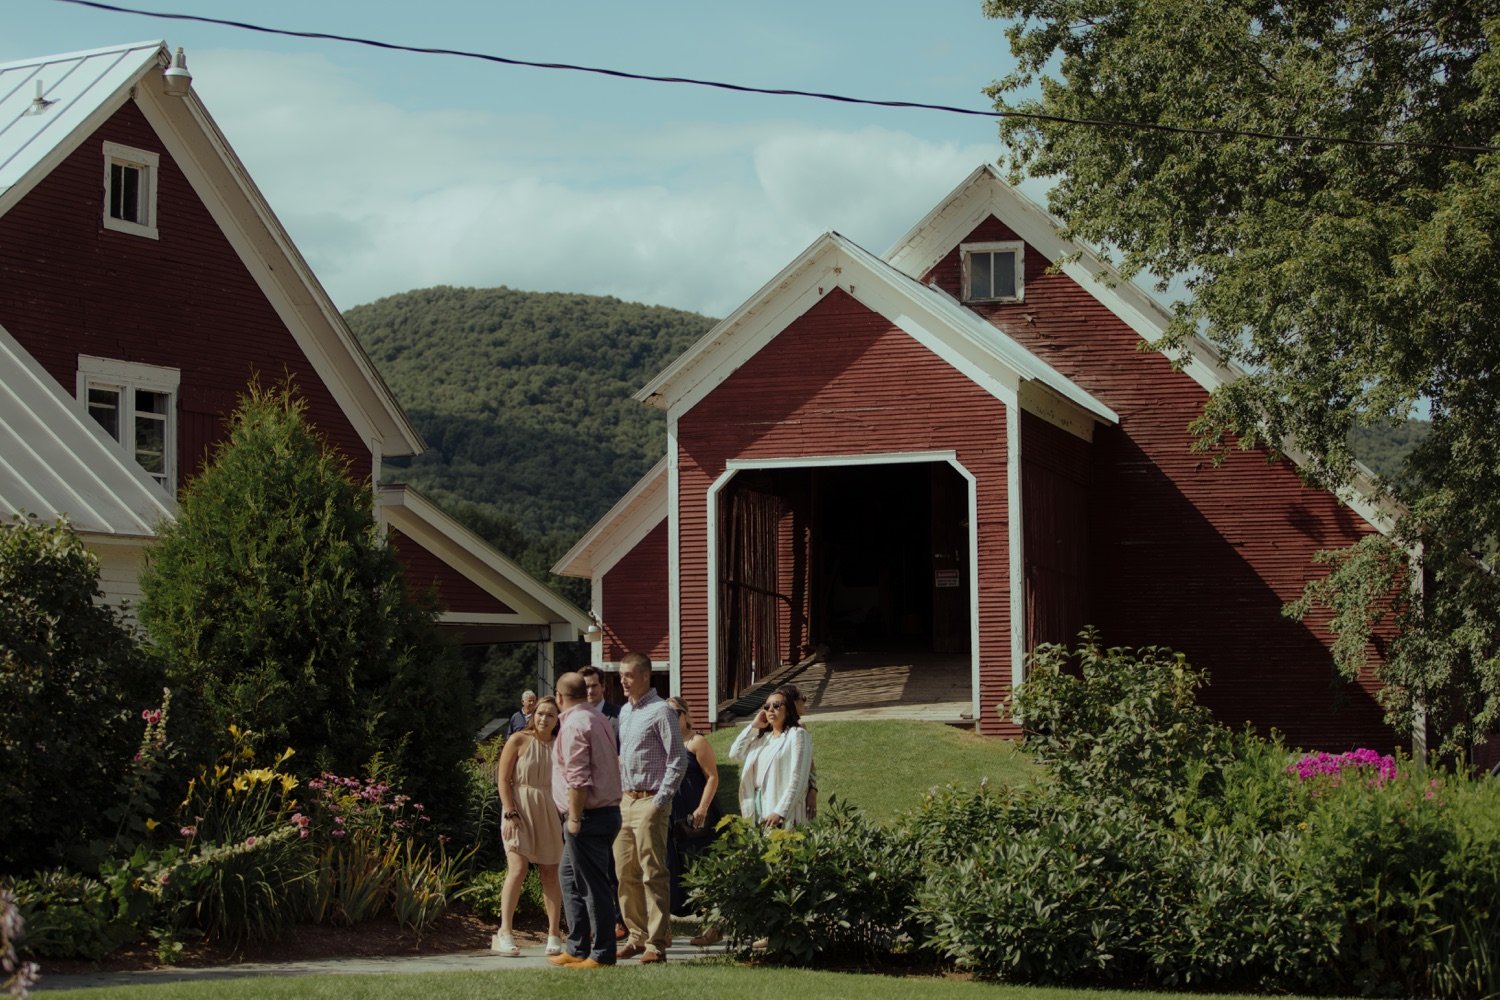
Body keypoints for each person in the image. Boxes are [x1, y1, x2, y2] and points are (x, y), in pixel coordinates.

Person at [613, 652, 687, 964]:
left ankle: (656, 943)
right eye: (621, 675)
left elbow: (678, 759)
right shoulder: (625, 712)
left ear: (646, 676)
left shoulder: (661, 712)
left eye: (628, 675)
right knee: (624, 872)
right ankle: (636, 936)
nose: (623, 681)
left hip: (650, 800)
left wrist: (660, 801)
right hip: (625, 801)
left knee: (652, 873)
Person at [548, 672, 623, 969]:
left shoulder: (574, 725)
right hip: (602, 813)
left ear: (559, 696)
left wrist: (575, 819)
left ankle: (603, 954)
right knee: (569, 878)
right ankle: (577, 947)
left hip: (588, 816)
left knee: (593, 887)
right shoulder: (596, 718)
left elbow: (578, 778)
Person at [492, 695, 564, 958]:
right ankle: (505, 931)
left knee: (550, 872)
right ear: (533, 715)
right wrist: (510, 812)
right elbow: (502, 779)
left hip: (548, 810)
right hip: (518, 808)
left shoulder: (559, 746)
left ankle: (554, 933)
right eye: (541, 713)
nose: (544, 718)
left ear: (558, 721)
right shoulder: (518, 740)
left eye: (551, 715)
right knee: (518, 868)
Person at [666, 696, 722, 936]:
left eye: (675, 713)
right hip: (672, 816)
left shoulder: (696, 742)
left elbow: (712, 776)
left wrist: (702, 807)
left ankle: (712, 926)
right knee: (673, 868)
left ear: (685, 715)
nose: (671, 718)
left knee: (702, 867)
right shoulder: (664, 744)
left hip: (697, 813)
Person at [729, 684, 813, 829]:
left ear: (788, 710)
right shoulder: (760, 740)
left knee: (783, 848)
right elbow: (735, 754)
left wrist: (780, 811)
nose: (770, 709)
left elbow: (798, 778)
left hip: (781, 807)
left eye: (777, 705)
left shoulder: (797, 735)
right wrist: (753, 726)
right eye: (767, 707)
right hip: (757, 804)